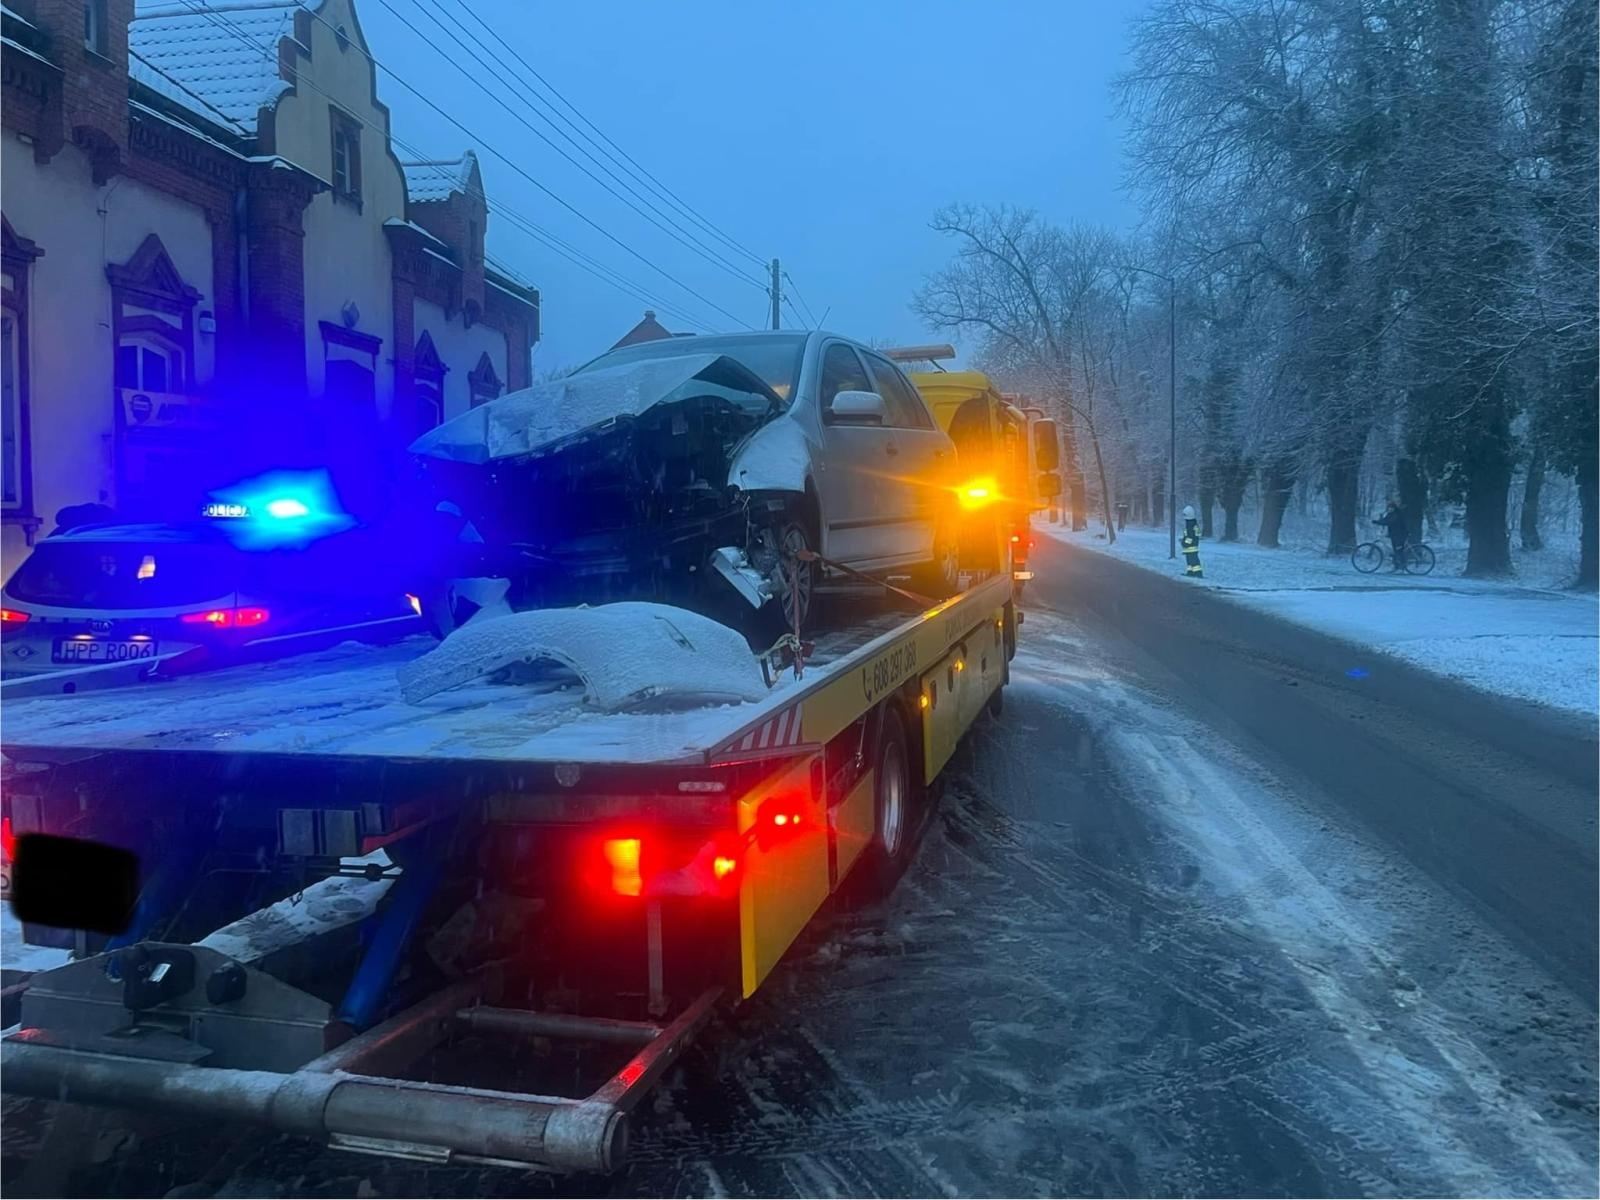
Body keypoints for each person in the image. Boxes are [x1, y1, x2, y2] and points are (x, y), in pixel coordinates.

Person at [1375, 498, 1410, 571]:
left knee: (1398, 550)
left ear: (1394, 508)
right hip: (1394, 534)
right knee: (1396, 550)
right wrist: (1378, 521)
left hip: (1400, 534)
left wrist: (1379, 522)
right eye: (1389, 508)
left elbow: (1390, 522)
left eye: (1391, 508)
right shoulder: (1390, 514)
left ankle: (1403, 565)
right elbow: (1385, 520)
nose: (1390, 509)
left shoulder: (1397, 514)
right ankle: (1397, 566)